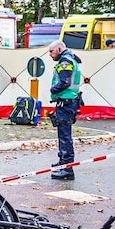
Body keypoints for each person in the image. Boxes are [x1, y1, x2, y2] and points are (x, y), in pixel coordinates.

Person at [47, 40, 82, 180]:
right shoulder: (70, 59)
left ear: (60, 49)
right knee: (63, 134)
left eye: (51, 51)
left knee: (65, 136)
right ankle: (63, 162)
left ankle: (67, 169)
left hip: (66, 103)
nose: (50, 54)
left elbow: (64, 82)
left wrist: (52, 90)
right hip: (68, 102)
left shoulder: (65, 62)